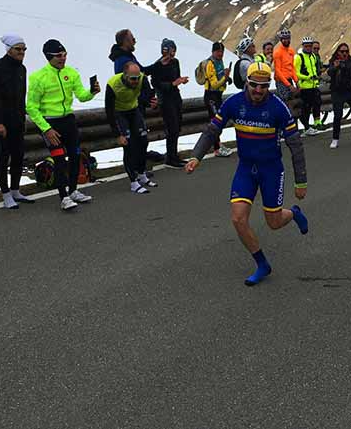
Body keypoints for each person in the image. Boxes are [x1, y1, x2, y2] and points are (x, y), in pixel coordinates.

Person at [185, 62, 309, 287]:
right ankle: (262, 264)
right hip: (246, 168)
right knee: (238, 218)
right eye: (254, 85)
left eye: (264, 86)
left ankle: (294, 213)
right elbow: (212, 130)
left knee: (273, 222)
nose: (259, 91)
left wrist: (301, 180)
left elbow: (296, 145)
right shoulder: (234, 103)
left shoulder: (278, 108)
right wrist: (196, 156)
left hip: (271, 170)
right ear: (246, 83)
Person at [26, 39, 100, 210]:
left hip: (68, 120)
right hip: (50, 123)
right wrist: (46, 129)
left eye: (65, 54)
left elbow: (81, 96)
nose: (63, 58)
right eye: (59, 55)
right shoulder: (38, 77)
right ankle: (63, 196)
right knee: (59, 159)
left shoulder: (71, 73)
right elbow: (31, 107)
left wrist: (92, 92)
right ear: (48, 57)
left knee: (75, 157)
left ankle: (73, 191)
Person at [0, 35, 34, 210]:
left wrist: (22, 118)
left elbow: (21, 97)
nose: (22, 52)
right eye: (18, 49)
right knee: (2, 157)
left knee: (18, 156)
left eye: (24, 49)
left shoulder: (22, 69)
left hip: (17, 120)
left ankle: (15, 190)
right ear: (8, 49)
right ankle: (5, 194)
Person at [106, 62, 158, 193]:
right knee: (128, 146)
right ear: (125, 75)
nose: (136, 81)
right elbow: (109, 111)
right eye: (132, 79)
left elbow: (147, 96)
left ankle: (141, 174)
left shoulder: (141, 78)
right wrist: (117, 134)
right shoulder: (113, 84)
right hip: (119, 113)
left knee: (143, 141)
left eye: (137, 78)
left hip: (133, 110)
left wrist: (152, 102)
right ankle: (133, 182)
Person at [149, 38, 188, 168]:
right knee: (171, 128)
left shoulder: (175, 62)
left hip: (175, 96)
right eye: (171, 50)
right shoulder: (158, 65)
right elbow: (155, 83)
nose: (173, 52)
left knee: (177, 127)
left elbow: (176, 77)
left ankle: (174, 155)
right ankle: (170, 158)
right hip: (165, 99)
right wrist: (172, 84)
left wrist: (180, 80)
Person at [203, 41, 234, 157]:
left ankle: (218, 145)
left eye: (222, 51)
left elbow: (220, 77)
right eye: (218, 51)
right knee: (215, 122)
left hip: (218, 96)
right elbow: (214, 84)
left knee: (219, 121)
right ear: (213, 51)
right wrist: (225, 78)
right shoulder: (210, 64)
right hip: (210, 95)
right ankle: (216, 149)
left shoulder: (219, 62)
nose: (220, 54)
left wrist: (227, 79)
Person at [295, 36, 323, 135]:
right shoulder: (299, 57)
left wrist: (316, 77)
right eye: (306, 46)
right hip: (304, 87)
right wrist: (308, 77)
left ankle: (315, 124)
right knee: (306, 109)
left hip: (314, 86)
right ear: (303, 46)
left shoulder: (313, 56)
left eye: (310, 46)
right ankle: (306, 128)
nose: (308, 48)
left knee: (316, 104)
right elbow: (296, 73)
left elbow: (314, 69)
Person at [272, 28, 298, 104]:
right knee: (285, 102)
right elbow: (278, 71)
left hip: (289, 79)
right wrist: (289, 85)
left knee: (293, 100)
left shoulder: (291, 51)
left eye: (288, 38)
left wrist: (296, 81)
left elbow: (292, 67)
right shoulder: (278, 53)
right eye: (284, 39)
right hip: (281, 81)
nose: (286, 40)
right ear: (280, 40)